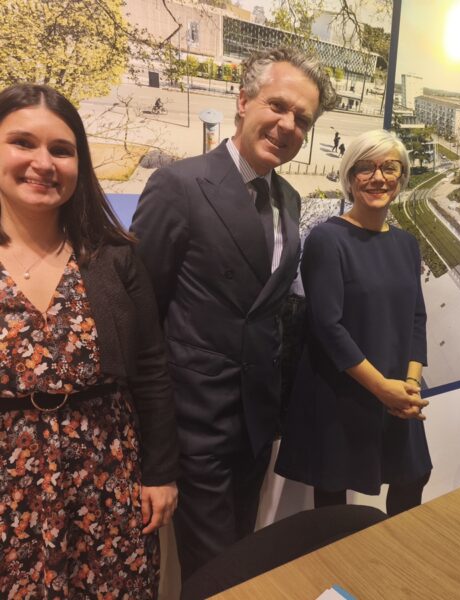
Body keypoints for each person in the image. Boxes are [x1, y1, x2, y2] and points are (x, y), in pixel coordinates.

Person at [131, 47, 337, 581]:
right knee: (215, 575)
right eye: (278, 106)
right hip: (194, 428)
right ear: (244, 101)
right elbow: (140, 318)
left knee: (244, 562)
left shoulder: (289, 199)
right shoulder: (179, 186)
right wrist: (154, 446)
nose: (288, 126)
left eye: (302, 119)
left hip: (254, 424)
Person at [0, 83, 179, 598]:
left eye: (61, 149)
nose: (43, 162)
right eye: (22, 143)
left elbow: (151, 370)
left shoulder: (113, 257)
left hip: (108, 475)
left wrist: (161, 474)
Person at [275, 129, 432, 516]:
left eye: (389, 167)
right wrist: (382, 389)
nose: (378, 178)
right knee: (334, 502)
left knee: (412, 478)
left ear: (401, 177)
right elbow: (328, 327)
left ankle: (397, 556)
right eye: (365, 168)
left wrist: (410, 385)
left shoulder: (406, 244)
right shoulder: (327, 239)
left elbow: (417, 316)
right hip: (343, 389)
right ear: (349, 177)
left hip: (397, 389)